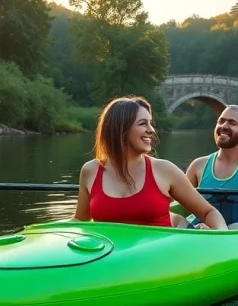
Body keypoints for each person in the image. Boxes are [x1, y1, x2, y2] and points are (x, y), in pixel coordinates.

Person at [72, 96, 228, 230]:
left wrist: (221, 234)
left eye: (150, 123)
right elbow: (80, 221)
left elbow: (209, 213)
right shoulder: (90, 170)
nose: (151, 130)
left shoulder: (164, 170)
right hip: (111, 260)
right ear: (120, 129)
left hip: (160, 260)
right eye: (142, 124)